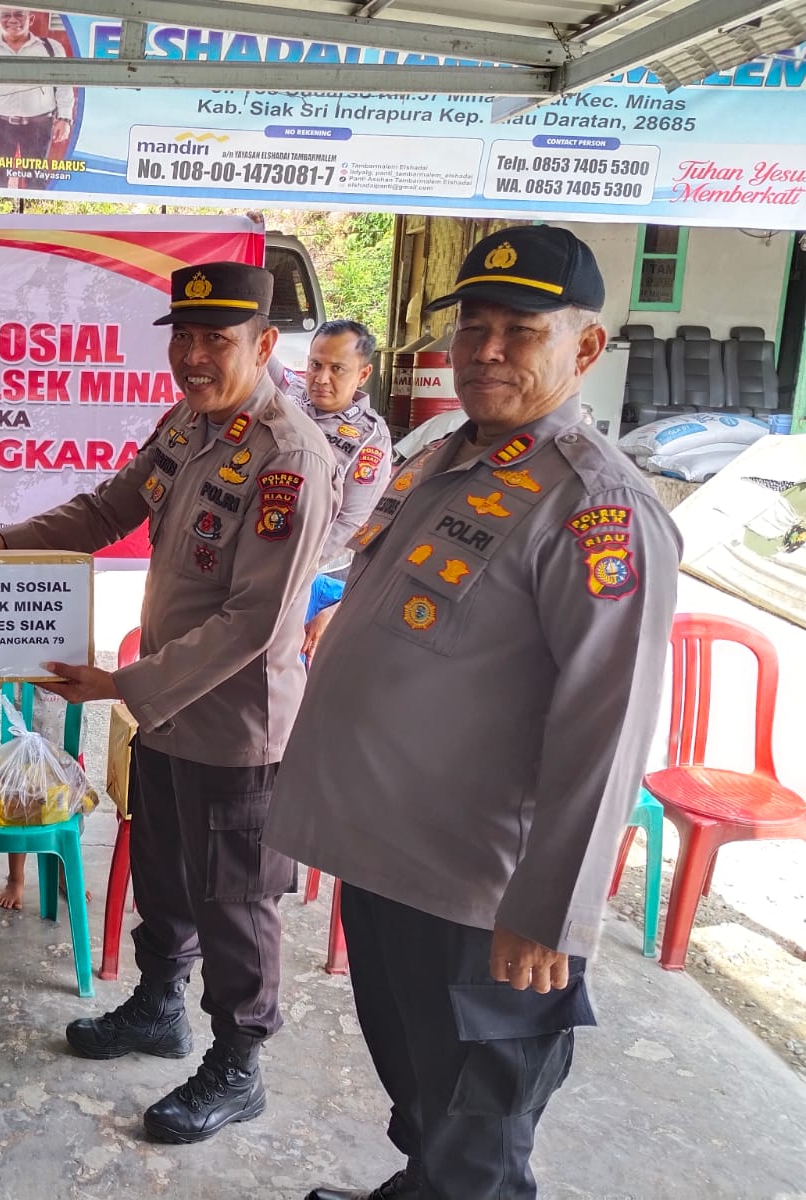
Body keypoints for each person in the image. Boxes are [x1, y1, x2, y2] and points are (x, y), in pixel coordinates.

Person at [270, 225, 681, 1200]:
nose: (487, 350)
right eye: (474, 326)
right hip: (393, 862)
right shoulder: (449, 457)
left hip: (484, 898)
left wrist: (550, 914)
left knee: (481, 1140)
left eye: (521, 331)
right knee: (424, 1093)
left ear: (585, 347)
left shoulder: (597, 509)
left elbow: (608, 727)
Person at [0, 262, 341, 1145]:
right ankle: (159, 1007)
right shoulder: (190, 421)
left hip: (237, 730)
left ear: (266, 344)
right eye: (183, 337)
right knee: (164, 873)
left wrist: (121, 685)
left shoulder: (289, 456)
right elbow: (109, 508)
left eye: (216, 340)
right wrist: (0, 541)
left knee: (236, 902)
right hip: (165, 709)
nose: (193, 356)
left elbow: (256, 622)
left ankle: (239, 1066)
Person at [277, 319, 393, 566]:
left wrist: (291, 567)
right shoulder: (291, 392)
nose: (321, 379)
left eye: (337, 369)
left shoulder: (371, 438)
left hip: (309, 567)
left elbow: (350, 522)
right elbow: (252, 351)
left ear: (363, 374)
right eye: (315, 365)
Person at [0, 7, 74, 190]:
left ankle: (34, 210)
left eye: (19, 15)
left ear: (30, 19)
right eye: (6, 16)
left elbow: (64, 85)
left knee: (36, 176)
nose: (13, 20)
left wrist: (65, 119)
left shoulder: (51, 48)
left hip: (39, 125)